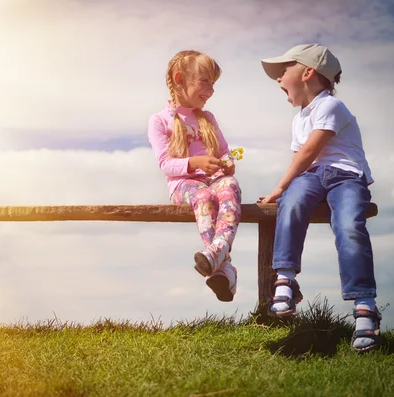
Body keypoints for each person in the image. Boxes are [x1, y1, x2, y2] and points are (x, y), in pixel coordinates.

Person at [259, 44, 380, 352]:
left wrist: (279, 187)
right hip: (311, 177)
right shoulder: (299, 118)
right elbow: (304, 161)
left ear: (308, 72)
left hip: (346, 176)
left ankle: (364, 305)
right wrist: (286, 191)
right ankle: (285, 279)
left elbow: (309, 151)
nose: (278, 79)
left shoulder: (331, 106)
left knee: (349, 225)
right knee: (293, 202)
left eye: (284, 71)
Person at [147, 50, 241, 302]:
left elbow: (223, 151)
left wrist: (228, 163)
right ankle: (225, 268)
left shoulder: (208, 119)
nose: (211, 90)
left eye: (213, 83)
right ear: (180, 79)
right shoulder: (159, 120)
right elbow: (166, 164)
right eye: (205, 81)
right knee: (203, 195)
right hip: (184, 185)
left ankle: (216, 252)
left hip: (214, 179)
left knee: (229, 185)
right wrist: (195, 163)